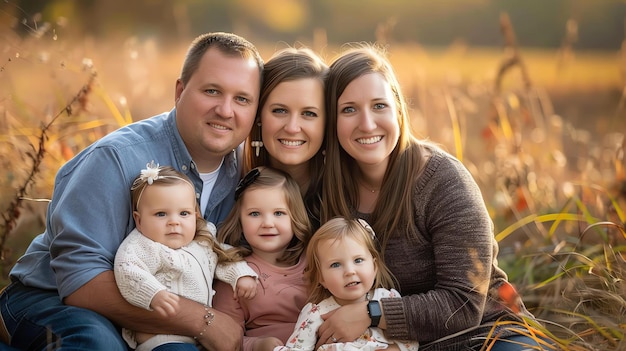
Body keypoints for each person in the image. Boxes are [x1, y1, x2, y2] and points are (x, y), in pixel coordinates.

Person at [0, 32, 263, 351]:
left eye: (242, 99)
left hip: (161, 319)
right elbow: (80, 282)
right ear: (180, 91)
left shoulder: (247, 173)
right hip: (54, 299)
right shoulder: (115, 158)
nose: (225, 110)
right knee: (99, 344)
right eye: (212, 91)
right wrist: (203, 321)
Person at [319, 44, 552, 350]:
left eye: (379, 106)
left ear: (399, 110)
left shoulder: (442, 180)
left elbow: (464, 304)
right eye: (349, 109)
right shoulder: (328, 191)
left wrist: (371, 313)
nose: (367, 123)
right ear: (331, 120)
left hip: (487, 336)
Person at [115, 163, 259, 350]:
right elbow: (127, 270)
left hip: (199, 338)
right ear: (139, 220)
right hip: (162, 338)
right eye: (161, 214)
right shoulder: (143, 245)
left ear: (195, 215)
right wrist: (153, 294)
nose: (174, 222)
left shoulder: (202, 240)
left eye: (184, 213)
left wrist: (240, 275)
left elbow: (222, 256)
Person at [276, 217, 419, 351]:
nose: (350, 271)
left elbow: (411, 341)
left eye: (358, 260)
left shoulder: (389, 300)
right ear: (322, 278)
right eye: (336, 264)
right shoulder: (317, 313)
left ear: (374, 267)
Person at [213, 167, 312, 351]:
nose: (267, 223)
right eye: (255, 214)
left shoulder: (315, 262)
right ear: (240, 221)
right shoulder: (235, 275)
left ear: (295, 217)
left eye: (279, 213)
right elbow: (224, 337)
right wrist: (257, 345)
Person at [244, 47, 328, 230]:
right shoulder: (233, 184)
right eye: (279, 111)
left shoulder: (346, 198)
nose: (292, 128)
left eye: (308, 113)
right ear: (258, 116)